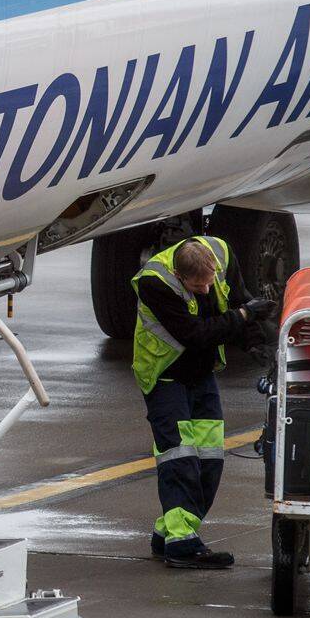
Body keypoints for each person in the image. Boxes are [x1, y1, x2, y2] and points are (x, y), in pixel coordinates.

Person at [132, 235, 274, 569]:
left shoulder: (222, 253)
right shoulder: (155, 283)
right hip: (165, 374)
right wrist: (242, 316)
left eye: (209, 282)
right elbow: (197, 335)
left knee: (210, 459)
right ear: (181, 277)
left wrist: (254, 341)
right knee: (179, 457)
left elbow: (236, 299)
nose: (206, 291)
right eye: (198, 286)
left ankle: (168, 532)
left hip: (202, 373)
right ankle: (182, 545)